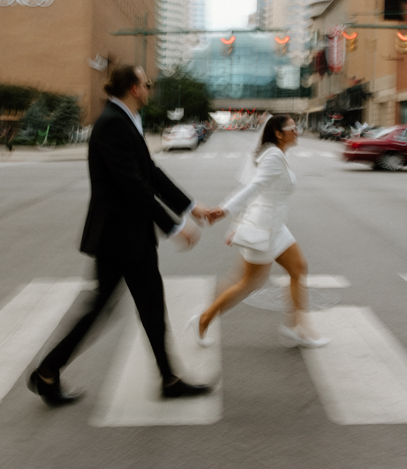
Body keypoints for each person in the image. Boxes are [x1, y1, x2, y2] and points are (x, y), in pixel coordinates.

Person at [28, 64, 213, 406]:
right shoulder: (113, 124)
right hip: (119, 236)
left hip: (130, 235)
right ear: (133, 88)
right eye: (146, 83)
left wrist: (191, 207)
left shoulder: (123, 120)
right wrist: (173, 225)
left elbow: (150, 173)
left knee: (147, 305)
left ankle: (166, 379)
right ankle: (47, 371)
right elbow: (133, 186)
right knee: (110, 307)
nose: (150, 87)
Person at [189, 114, 329, 349]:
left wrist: (236, 223)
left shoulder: (276, 155)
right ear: (278, 133)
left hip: (275, 227)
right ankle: (203, 320)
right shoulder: (273, 156)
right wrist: (224, 211)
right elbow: (254, 188)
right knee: (248, 283)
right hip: (263, 229)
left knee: (298, 269)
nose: (297, 131)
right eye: (292, 128)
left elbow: (259, 192)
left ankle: (298, 328)